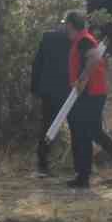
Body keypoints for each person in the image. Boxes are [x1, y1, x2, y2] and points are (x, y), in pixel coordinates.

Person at [63, 10, 112, 189]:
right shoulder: (82, 39)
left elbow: (94, 58)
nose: (64, 28)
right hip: (91, 92)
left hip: (91, 93)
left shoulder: (84, 40)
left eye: (66, 24)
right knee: (90, 132)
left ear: (71, 25)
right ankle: (88, 174)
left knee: (89, 132)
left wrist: (81, 80)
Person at [30, 22, 74, 177]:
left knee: (47, 127)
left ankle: (42, 164)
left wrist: (34, 88)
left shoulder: (47, 37)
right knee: (75, 125)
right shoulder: (75, 39)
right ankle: (77, 163)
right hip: (69, 89)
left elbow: (37, 64)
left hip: (48, 89)